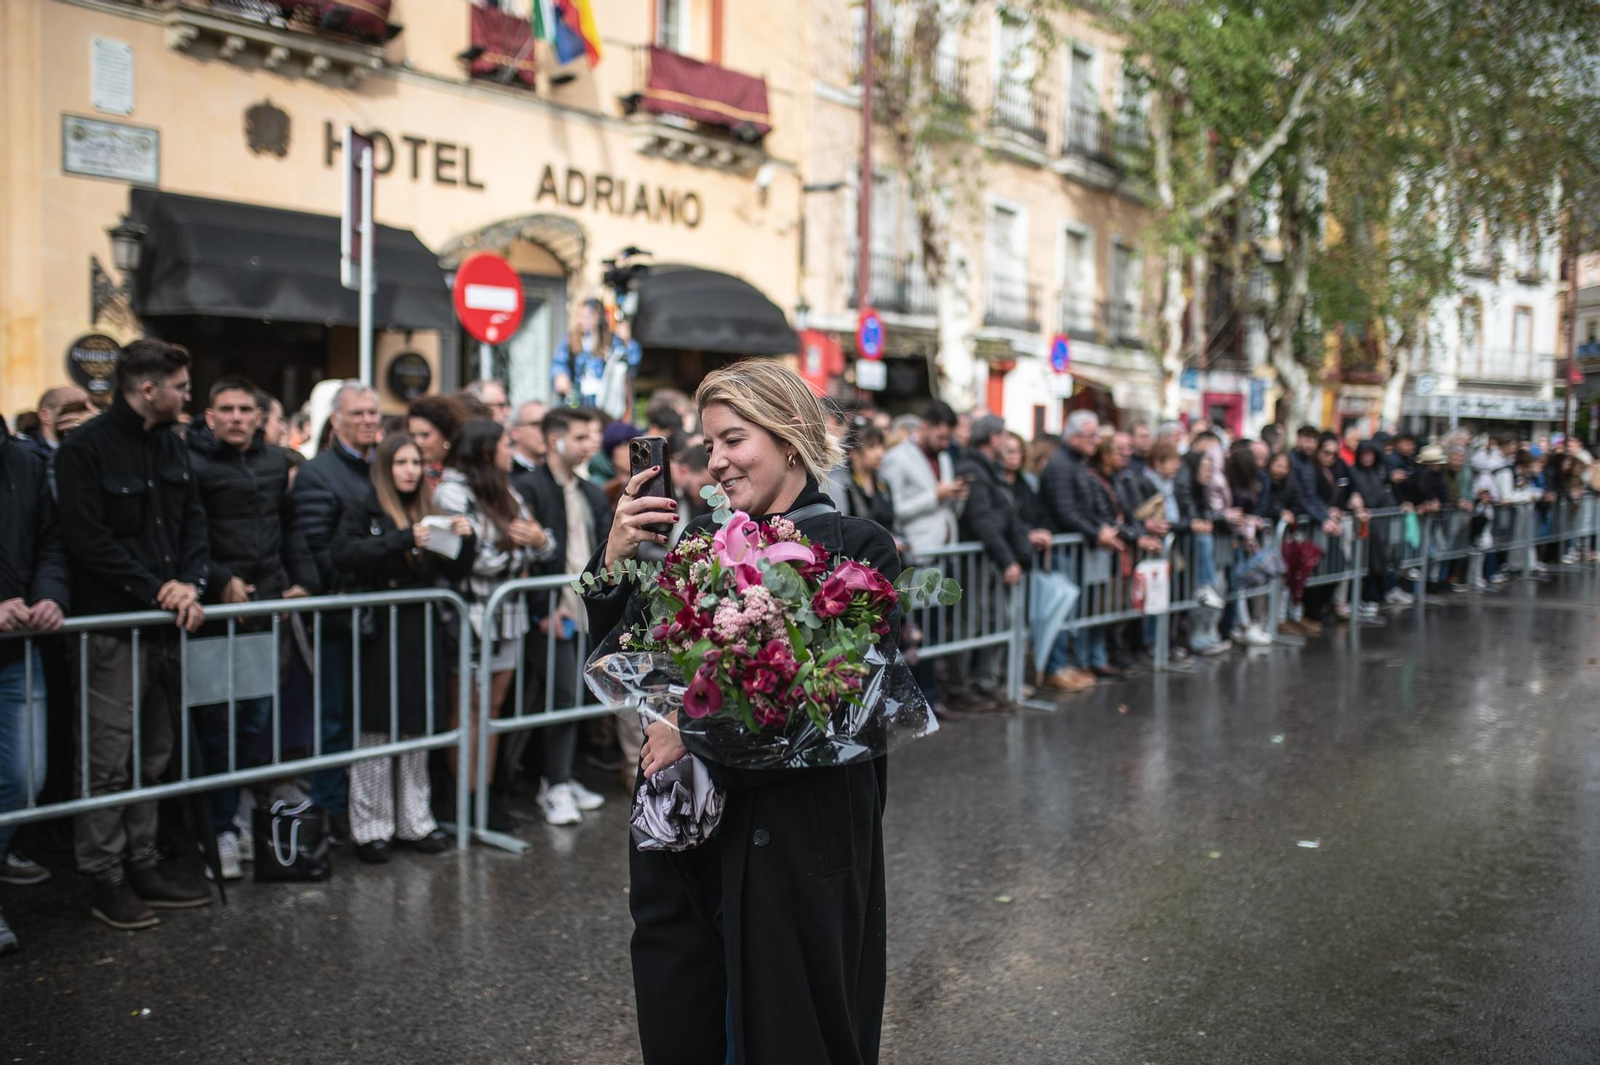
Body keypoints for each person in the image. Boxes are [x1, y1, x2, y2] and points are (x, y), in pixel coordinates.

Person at [582, 358, 896, 1065]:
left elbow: (833, 713)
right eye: (709, 443)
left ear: (789, 437)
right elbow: (630, 657)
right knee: (689, 1027)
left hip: (796, 854)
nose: (715, 461)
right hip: (689, 856)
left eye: (733, 439)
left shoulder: (858, 549)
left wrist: (689, 726)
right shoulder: (697, 540)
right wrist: (612, 560)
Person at [55, 338, 212, 930]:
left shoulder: (171, 445)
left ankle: (144, 862)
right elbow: (87, 541)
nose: (188, 395)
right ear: (149, 389)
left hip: (164, 626)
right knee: (108, 756)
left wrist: (190, 584)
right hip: (114, 629)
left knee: (154, 750)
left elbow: (194, 525)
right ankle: (105, 875)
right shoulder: (86, 449)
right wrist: (157, 589)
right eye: (181, 386)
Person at [186, 377, 318, 878]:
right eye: (228, 409)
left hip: (265, 612)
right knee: (216, 731)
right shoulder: (192, 464)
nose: (238, 417)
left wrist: (300, 581)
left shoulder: (271, 462)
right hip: (215, 616)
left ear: (259, 417)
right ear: (210, 415)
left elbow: (289, 529)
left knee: (255, 723)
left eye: (246, 408)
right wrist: (219, 580)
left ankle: (235, 821)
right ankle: (217, 830)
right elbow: (187, 532)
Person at [329, 433, 472, 862]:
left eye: (416, 462)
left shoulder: (430, 509)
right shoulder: (364, 505)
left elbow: (454, 569)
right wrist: (404, 538)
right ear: (386, 468)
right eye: (401, 463)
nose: (410, 470)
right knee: (375, 728)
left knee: (415, 725)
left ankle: (415, 821)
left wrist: (467, 539)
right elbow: (343, 554)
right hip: (379, 633)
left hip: (419, 628)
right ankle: (370, 829)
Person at [435, 420, 556, 833]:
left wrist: (535, 542)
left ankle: (483, 796)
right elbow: (469, 559)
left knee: (491, 709)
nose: (512, 450)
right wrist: (520, 550)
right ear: (487, 451)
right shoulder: (451, 492)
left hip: (507, 617)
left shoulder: (510, 491)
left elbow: (545, 545)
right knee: (465, 710)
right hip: (468, 617)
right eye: (506, 444)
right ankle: (462, 796)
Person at [291, 380, 382, 836]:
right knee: (334, 717)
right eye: (359, 414)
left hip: (379, 615)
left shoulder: (381, 466)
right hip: (337, 614)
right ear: (337, 419)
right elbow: (315, 549)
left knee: (372, 718)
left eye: (373, 413)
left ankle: (366, 809)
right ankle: (328, 811)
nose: (368, 421)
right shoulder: (318, 473)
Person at [514, 408, 614, 823]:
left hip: (584, 610)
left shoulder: (590, 492)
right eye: (579, 437)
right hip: (551, 612)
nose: (589, 444)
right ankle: (553, 783)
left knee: (575, 697)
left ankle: (561, 777)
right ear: (555, 440)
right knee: (560, 696)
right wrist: (542, 608)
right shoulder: (529, 487)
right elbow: (527, 557)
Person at [0, 416, 69, 954]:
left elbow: (51, 541)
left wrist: (50, 595)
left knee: (26, 778)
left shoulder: (22, 461)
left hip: (17, 651)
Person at [955, 415, 1048, 705]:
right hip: (982, 558)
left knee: (997, 619)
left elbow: (1002, 516)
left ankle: (987, 681)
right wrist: (1008, 559)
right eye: (1003, 436)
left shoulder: (988, 470)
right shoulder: (975, 469)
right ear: (994, 438)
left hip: (992, 557)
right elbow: (983, 521)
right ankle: (961, 687)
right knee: (969, 624)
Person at [1039, 411, 1127, 690]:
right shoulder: (1061, 465)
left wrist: (1100, 528)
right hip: (1063, 550)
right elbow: (1066, 511)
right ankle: (1055, 668)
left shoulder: (1075, 463)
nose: (1096, 441)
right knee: (1062, 612)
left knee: (1071, 613)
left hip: (1073, 548)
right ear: (1074, 436)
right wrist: (1096, 532)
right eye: (1091, 436)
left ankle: (1065, 664)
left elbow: (1083, 508)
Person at [552, 298, 640, 420]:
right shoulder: (570, 341)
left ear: (597, 317)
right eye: (580, 317)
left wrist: (627, 341)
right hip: (578, 400)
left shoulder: (611, 341)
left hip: (604, 401)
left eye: (586, 317)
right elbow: (559, 363)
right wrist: (560, 375)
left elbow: (630, 363)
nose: (581, 321)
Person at [407, 394, 470, 486]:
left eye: (425, 435)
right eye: (412, 435)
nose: (417, 442)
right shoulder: (410, 471)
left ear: (446, 433)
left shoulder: (464, 471)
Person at [510, 400, 548, 475]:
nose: (545, 431)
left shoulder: (555, 472)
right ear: (515, 432)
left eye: (547, 425)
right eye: (537, 424)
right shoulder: (506, 470)